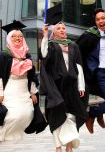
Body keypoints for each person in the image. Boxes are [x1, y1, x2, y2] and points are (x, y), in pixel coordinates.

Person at [0, 21, 46, 141]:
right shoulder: (2, 56)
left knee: (28, 113)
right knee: (13, 115)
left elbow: (32, 76)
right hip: (10, 89)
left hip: (23, 89)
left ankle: (14, 133)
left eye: (20, 36)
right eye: (14, 36)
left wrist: (33, 92)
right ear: (8, 38)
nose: (18, 38)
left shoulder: (27, 56)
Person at [39, 22, 88, 152]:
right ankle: (58, 147)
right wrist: (45, 35)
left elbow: (79, 66)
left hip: (71, 86)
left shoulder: (73, 46)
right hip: (55, 86)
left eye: (63, 28)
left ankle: (69, 147)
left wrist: (81, 86)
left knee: (71, 116)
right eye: (58, 28)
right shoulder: (51, 45)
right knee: (56, 116)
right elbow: (43, 55)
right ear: (53, 32)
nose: (62, 30)